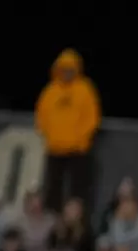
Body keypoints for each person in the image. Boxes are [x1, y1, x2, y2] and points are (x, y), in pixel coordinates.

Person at [34, 50, 101, 209]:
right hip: (55, 149)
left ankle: (79, 223)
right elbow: (41, 117)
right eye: (64, 69)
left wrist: (80, 139)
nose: (67, 73)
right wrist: (50, 138)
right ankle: (53, 223)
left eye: (71, 69)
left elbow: (92, 118)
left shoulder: (85, 89)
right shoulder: (50, 91)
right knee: (53, 190)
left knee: (78, 191)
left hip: (78, 150)